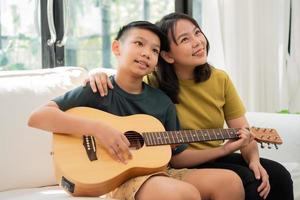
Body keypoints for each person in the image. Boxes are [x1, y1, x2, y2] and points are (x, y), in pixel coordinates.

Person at [28, 21, 246, 200]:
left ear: (158, 61)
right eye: (139, 44)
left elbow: (178, 158)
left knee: (230, 182)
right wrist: (98, 129)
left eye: (154, 50)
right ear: (116, 48)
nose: (146, 53)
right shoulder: (98, 89)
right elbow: (38, 117)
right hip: (118, 178)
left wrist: (224, 150)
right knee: (184, 194)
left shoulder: (162, 102)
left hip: (164, 172)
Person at [86, 13, 294, 200]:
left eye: (197, 33)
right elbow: (125, 81)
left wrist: (254, 160)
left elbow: (243, 130)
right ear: (167, 55)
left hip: (213, 154)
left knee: (279, 176)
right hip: (177, 162)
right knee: (249, 182)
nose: (197, 42)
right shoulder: (152, 82)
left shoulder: (220, 79)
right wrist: (96, 74)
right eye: (185, 39)